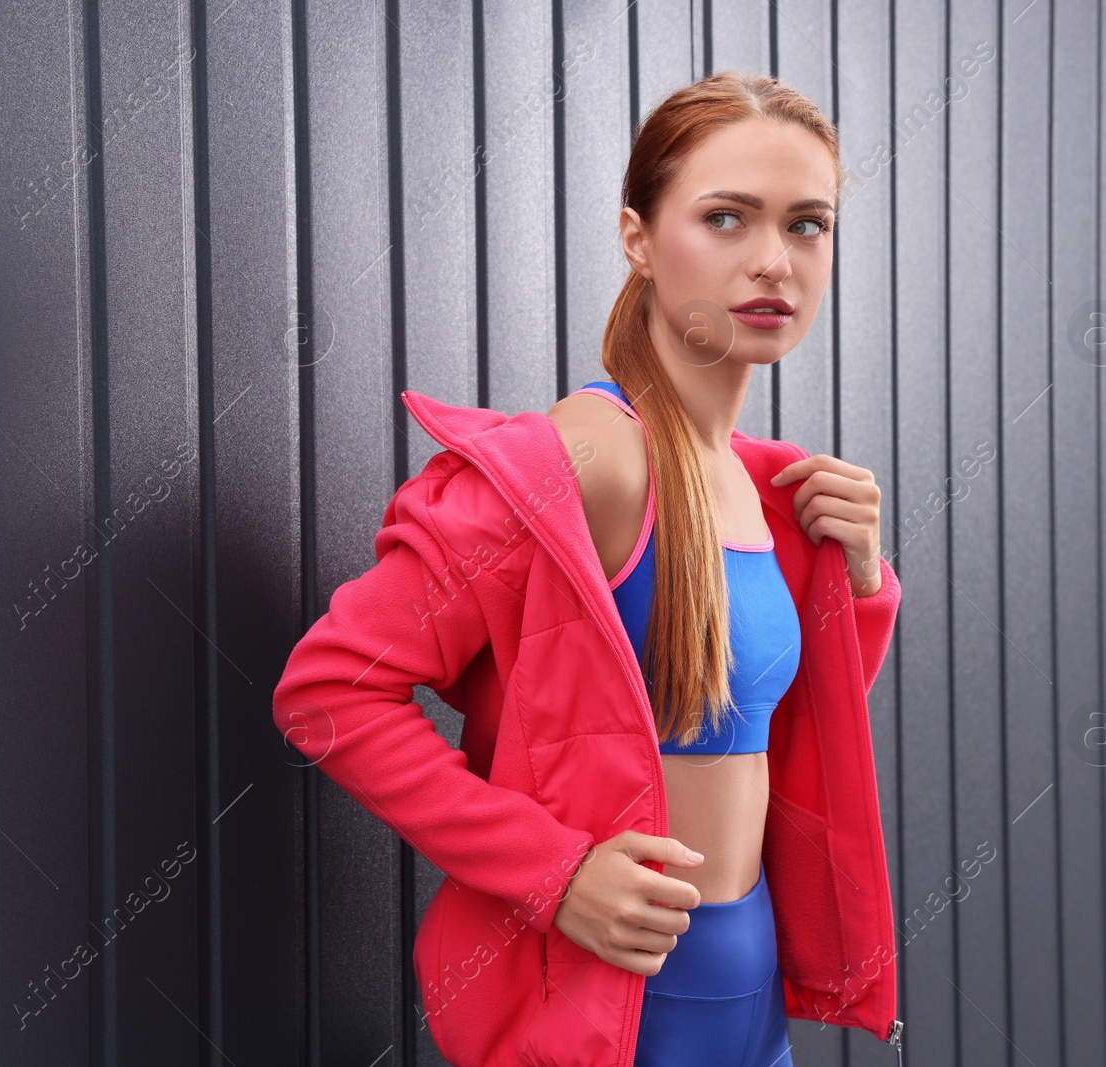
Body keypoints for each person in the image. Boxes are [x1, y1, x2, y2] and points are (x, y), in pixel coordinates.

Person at [273, 70, 904, 1067]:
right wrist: (555, 873)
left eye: (807, 224)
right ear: (638, 237)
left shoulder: (767, 486)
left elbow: (767, 725)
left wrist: (859, 586)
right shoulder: (582, 459)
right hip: (614, 998)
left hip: (749, 989)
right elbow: (330, 689)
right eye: (727, 217)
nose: (774, 261)